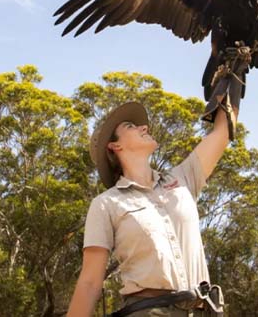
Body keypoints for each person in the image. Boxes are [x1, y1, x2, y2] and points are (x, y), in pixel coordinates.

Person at [65, 97, 236, 317]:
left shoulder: (183, 177)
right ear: (115, 146)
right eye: (130, 126)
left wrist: (231, 81)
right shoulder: (106, 204)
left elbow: (221, 133)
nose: (144, 127)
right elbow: (89, 282)